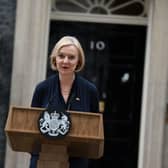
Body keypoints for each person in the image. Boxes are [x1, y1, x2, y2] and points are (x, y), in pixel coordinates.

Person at [29, 36, 99, 168]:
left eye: (71, 57)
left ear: (78, 61)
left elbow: (95, 130)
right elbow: (31, 127)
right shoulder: (42, 88)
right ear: (55, 58)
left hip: (77, 161)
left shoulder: (90, 90)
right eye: (61, 56)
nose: (65, 61)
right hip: (44, 159)